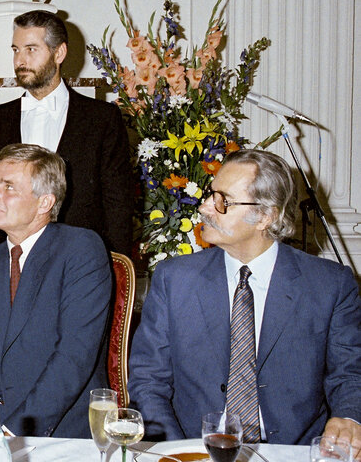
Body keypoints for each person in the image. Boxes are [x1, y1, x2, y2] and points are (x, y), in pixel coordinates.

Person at [128, 149, 361, 454]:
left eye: (222, 200)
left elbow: (349, 374)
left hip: (292, 452)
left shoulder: (330, 285)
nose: (205, 207)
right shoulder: (175, 279)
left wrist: (347, 417)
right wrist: (181, 452)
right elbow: (148, 381)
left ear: (265, 215)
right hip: (194, 449)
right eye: (211, 194)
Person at [0, 143, 112, 438]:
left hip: (56, 424)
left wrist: (13, 431)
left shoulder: (80, 249)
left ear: (44, 203)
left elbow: (74, 355)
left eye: (9, 187)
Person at [0, 10, 133, 255]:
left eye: (31, 49)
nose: (20, 61)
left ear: (59, 53)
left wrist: (114, 264)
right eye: (16, 50)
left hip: (81, 257)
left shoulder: (101, 118)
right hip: (12, 256)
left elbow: (118, 203)